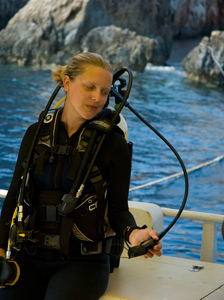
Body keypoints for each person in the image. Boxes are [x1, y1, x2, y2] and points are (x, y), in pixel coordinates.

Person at [0, 52, 162, 300]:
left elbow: (118, 210)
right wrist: (1, 250)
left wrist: (134, 233)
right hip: (28, 256)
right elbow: (13, 195)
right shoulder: (36, 134)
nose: (98, 98)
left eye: (105, 92)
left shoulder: (113, 146)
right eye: (89, 87)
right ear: (67, 83)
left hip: (83, 263)